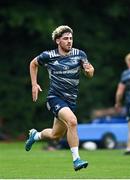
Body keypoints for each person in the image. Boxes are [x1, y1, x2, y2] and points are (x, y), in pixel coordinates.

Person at [25, 25, 94, 170]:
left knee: (55, 135)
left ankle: (35, 135)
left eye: (71, 38)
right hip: (55, 98)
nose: (69, 41)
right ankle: (77, 160)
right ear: (58, 41)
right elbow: (33, 63)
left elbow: (89, 73)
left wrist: (89, 71)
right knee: (72, 121)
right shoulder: (48, 56)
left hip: (70, 101)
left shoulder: (80, 54)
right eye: (65, 39)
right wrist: (34, 84)